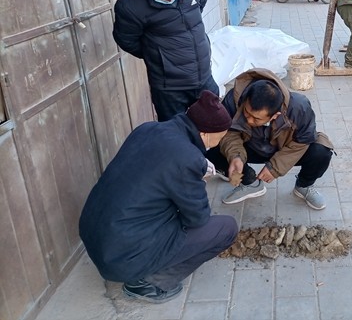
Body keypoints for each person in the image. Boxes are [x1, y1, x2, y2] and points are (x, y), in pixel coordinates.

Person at [79, 91, 237, 303]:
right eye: (220, 137)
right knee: (226, 228)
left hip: (97, 238)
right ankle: (149, 283)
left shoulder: (147, 129)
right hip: (123, 257)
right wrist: (197, 180)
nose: (219, 142)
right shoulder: (187, 158)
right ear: (205, 135)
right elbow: (198, 218)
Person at [112, 0, 219, 122]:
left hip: (204, 77)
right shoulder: (130, 7)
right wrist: (160, 54)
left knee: (215, 126)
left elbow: (200, 5)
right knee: (175, 133)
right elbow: (127, 41)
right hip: (170, 90)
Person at [205, 68, 334, 210]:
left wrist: (274, 168)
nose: (249, 120)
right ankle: (250, 183)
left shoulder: (299, 107)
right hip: (251, 146)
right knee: (210, 145)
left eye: (256, 118)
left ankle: (304, 186)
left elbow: (302, 141)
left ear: (275, 115)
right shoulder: (233, 100)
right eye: (247, 113)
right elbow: (229, 133)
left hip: (283, 148)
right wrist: (236, 156)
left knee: (321, 151)